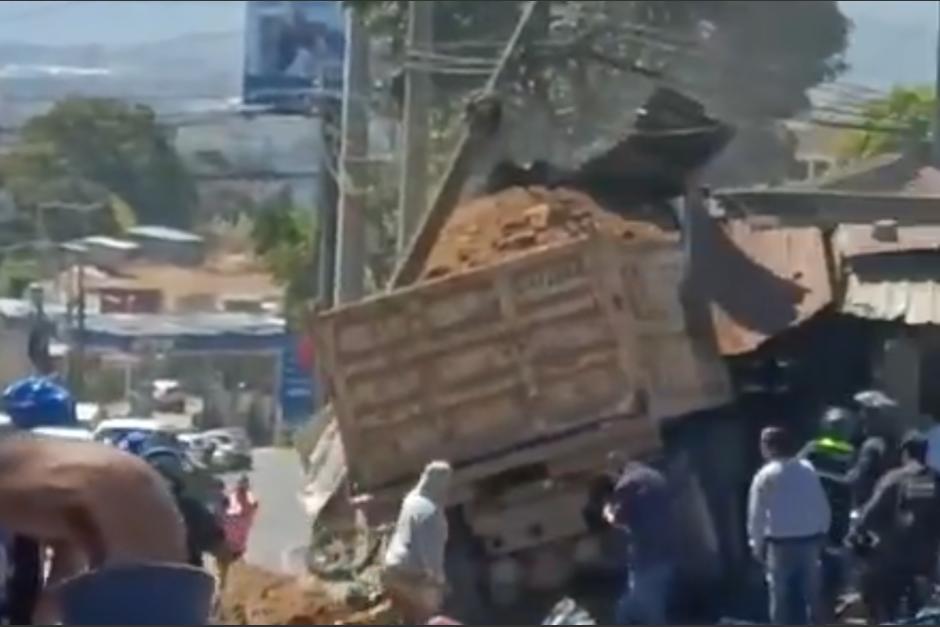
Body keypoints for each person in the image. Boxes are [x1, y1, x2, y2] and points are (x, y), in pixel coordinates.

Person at [849, 433, 940, 623]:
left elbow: (869, 515)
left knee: (885, 612)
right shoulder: (934, 479)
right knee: (920, 615)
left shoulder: (894, 478)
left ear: (905, 453)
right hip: (924, 560)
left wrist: (857, 533)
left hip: (891, 558)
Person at [749, 426, 831, 625]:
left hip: (780, 545)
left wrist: (756, 544)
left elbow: (756, 514)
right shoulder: (807, 470)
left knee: (780, 597)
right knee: (813, 595)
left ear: (769, 447)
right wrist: (823, 532)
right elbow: (821, 504)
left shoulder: (764, 475)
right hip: (809, 541)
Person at [604, 461, 675, 625]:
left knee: (632, 610)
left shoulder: (627, 485)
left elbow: (620, 517)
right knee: (647, 606)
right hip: (666, 555)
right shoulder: (655, 478)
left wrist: (608, 513)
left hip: (646, 559)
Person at [382, 461, 452, 624]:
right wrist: (437, 579)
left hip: (392, 564)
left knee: (407, 612)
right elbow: (429, 550)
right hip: (410, 570)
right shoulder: (430, 511)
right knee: (426, 611)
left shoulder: (411, 499)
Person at [219, 475, 259, 589]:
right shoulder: (237, 502)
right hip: (229, 543)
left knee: (226, 568)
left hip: (233, 544)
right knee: (224, 568)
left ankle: (224, 588)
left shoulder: (247, 505)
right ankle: (223, 588)